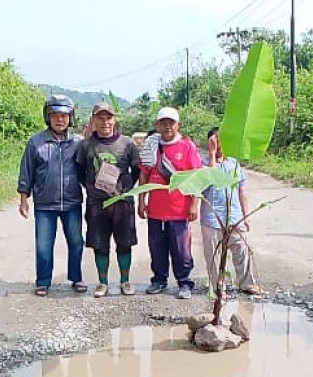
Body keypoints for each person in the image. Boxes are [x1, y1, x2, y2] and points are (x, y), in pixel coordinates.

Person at [17, 94, 86, 297]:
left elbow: (87, 171)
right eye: (54, 115)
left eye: (64, 116)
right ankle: (43, 281)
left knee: (76, 241)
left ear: (70, 118)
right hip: (44, 204)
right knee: (44, 244)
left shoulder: (78, 143)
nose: (59, 119)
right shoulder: (36, 142)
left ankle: (76, 277)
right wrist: (23, 198)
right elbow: (26, 171)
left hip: (72, 202)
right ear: (48, 117)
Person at [75, 102, 141, 298]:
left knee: (124, 242)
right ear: (93, 120)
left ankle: (125, 281)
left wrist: (125, 188)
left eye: (108, 118)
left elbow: (137, 169)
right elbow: (79, 171)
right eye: (100, 118)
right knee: (99, 244)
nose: (105, 122)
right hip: (97, 203)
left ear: (114, 119)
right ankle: (102, 282)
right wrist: (92, 188)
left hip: (122, 202)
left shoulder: (127, 144)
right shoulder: (86, 145)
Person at [138, 107, 202, 299]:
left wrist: (193, 204)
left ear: (177, 125)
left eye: (171, 123)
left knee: (181, 249)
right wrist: (141, 201)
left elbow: (196, 176)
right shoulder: (151, 147)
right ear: (156, 125)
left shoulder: (187, 146)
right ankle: (159, 279)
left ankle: (184, 282)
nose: (167, 127)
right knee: (156, 247)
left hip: (179, 210)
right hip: (156, 210)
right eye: (163, 123)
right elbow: (144, 174)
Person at [201, 127, 261, 296]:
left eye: (222, 140)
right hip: (211, 217)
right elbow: (208, 181)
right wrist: (212, 154)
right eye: (216, 140)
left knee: (241, 250)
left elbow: (241, 190)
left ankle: (247, 283)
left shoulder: (233, 163)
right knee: (213, 256)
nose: (219, 144)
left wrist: (245, 215)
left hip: (234, 216)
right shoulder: (203, 162)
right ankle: (218, 287)